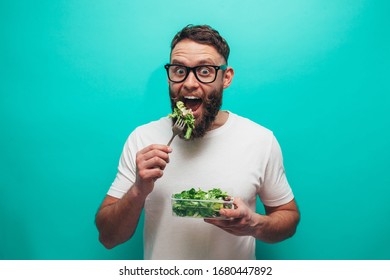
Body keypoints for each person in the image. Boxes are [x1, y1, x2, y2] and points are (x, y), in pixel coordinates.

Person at [95, 24, 300, 260]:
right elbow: (108, 237)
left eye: (204, 71)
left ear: (226, 77)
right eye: (179, 70)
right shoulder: (142, 138)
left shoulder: (260, 140)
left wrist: (253, 225)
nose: (190, 83)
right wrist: (138, 190)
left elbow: (289, 219)